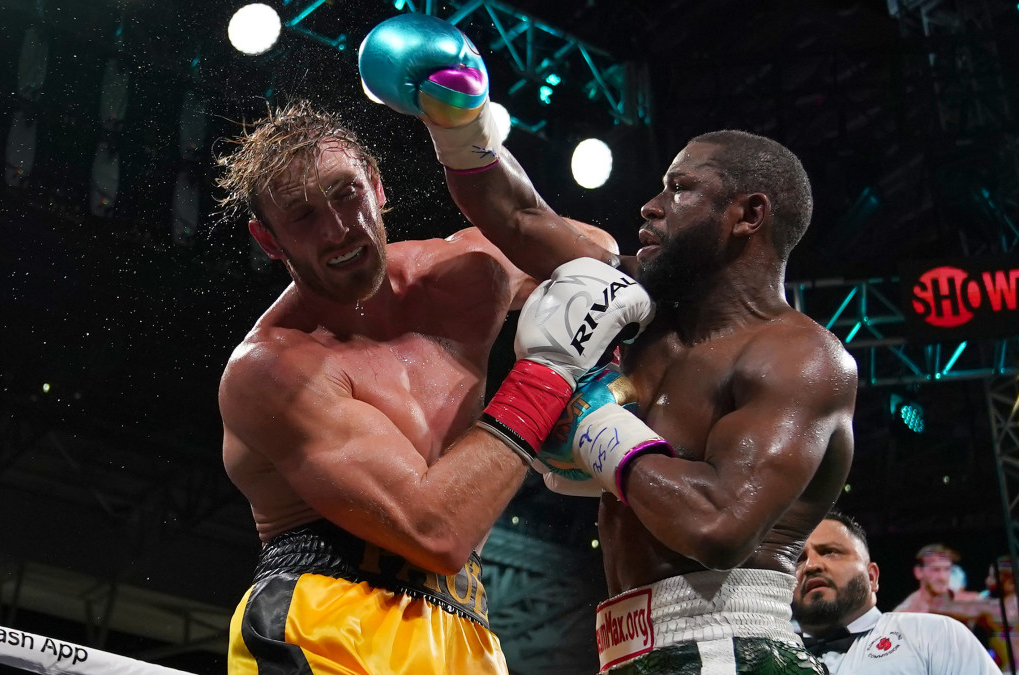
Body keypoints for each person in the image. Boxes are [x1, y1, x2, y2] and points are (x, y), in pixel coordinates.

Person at [359, 14, 858, 673]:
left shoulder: (800, 357)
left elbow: (717, 526)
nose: (651, 206)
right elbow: (520, 216)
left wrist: (590, 417)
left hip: (729, 645)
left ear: (749, 214)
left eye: (681, 188)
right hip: (630, 645)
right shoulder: (635, 302)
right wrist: (461, 121)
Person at [215, 96, 651, 673]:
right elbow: (435, 529)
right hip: (326, 620)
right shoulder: (273, 370)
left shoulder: (463, 274)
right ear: (270, 241)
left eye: (346, 194)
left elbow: (597, 259)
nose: (339, 229)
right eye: (302, 216)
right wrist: (548, 375)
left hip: (465, 629)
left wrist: (470, 150)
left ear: (376, 186)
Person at [793, 509, 1001, 673]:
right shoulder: (771, 659)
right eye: (798, 559)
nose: (811, 565)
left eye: (829, 552)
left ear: (872, 577)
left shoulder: (932, 635)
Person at [895, 543, 986, 614]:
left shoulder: (969, 600)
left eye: (947, 569)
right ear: (919, 572)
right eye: (935, 570)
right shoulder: (906, 613)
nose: (942, 577)